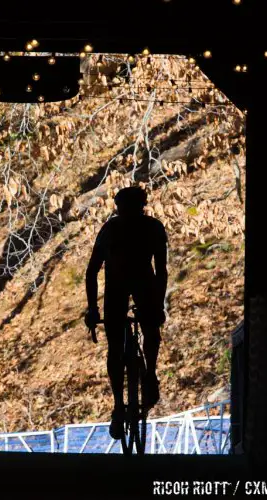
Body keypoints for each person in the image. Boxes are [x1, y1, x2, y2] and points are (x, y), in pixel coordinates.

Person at [84, 186, 168, 440]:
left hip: (118, 289)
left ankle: (119, 406)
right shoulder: (153, 226)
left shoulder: (110, 229)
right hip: (142, 285)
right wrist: (159, 304)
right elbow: (161, 269)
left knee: (115, 347)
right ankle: (149, 375)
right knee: (150, 330)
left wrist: (92, 308)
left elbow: (91, 272)